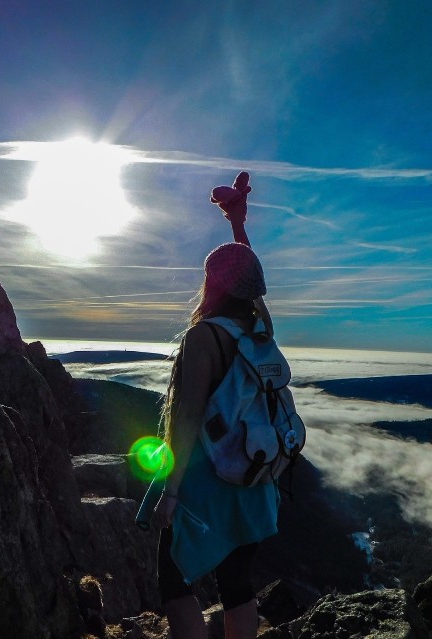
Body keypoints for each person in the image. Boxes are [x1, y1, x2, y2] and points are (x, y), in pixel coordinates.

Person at [141, 174, 279, 639]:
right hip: (254, 473)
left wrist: (171, 491)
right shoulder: (260, 329)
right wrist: (239, 225)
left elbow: (186, 416)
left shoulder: (205, 337)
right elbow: (250, 286)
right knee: (237, 581)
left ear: (210, 284)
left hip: (206, 479)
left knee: (174, 580)